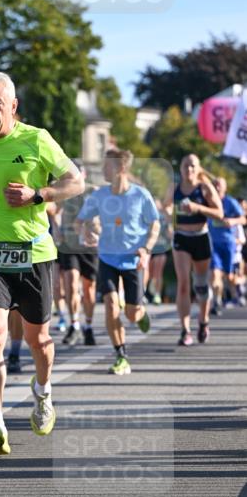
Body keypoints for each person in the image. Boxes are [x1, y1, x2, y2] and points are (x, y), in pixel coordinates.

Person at [0, 71, 83, 456]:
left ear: (13, 106)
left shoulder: (36, 139)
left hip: (34, 255)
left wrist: (37, 194)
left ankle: (42, 391)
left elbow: (75, 181)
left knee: (38, 341)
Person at [76, 149, 159, 376]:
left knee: (131, 314)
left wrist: (147, 248)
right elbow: (80, 220)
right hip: (107, 258)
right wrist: (86, 231)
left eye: (107, 166)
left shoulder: (141, 195)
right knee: (111, 304)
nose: (103, 170)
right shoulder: (99, 195)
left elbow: (155, 225)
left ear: (121, 168)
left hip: (133, 260)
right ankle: (121, 355)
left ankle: (140, 314)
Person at [168, 154, 222, 345]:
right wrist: (168, 219)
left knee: (200, 284)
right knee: (183, 283)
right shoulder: (174, 189)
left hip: (201, 236)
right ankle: (185, 330)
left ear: (198, 169)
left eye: (192, 166)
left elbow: (219, 213)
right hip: (181, 237)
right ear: (180, 169)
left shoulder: (204, 187)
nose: (189, 170)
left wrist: (198, 208)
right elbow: (166, 210)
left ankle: (203, 321)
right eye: (185, 166)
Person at [55, 160, 99, 347]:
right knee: (71, 283)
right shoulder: (64, 191)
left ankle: (88, 326)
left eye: (79, 172)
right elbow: (54, 211)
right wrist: (56, 229)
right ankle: (74, 324)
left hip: (89, 246)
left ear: (85, 174)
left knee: (89, 290)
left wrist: (97, 229)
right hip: (69, 244)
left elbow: (104, 215)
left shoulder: (93, 191)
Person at [209, 177, 246, 314]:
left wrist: (232, 221)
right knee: (214, 273)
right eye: (215, 184)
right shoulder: (208, 201)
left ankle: (239, 287)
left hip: (229, 244)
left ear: (225, 188)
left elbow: (243, 219)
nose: (217, 187)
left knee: (229, 276)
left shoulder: (230, 202)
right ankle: (216, 302)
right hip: (213, 243)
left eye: (219, 185)